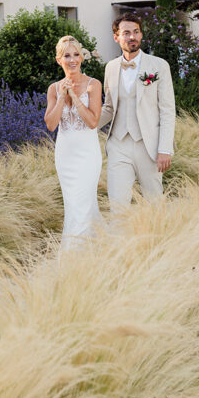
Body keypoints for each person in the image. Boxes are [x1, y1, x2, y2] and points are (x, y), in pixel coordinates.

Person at [98, 13, 176, 212]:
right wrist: (85, 126)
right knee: (117, 205)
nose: (132, 37)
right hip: (118, 145)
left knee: (154, 204)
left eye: (136, 32)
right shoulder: (111, 68)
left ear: (141, 35)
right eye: (126, 33)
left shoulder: (159, 66)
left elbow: (167, 110)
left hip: (148, 146)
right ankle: (120, 243)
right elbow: (108, 107)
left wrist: (164, 149)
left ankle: (158, 241)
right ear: (116, 37)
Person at [44, 35, 104, 249]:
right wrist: (62, 96)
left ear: (82, 58)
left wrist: (75, 97)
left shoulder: (93, 85)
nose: (72, 59)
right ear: (58, 59)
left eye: (76, 54)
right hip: (65, 156)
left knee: (83, 203)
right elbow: (51, 124)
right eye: (66, 55)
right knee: (74, 206)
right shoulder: (53, 89)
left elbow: (92, 121)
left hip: (88, 156)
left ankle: (72, 257)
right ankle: (98, 250)